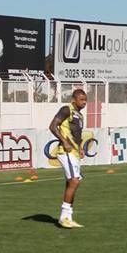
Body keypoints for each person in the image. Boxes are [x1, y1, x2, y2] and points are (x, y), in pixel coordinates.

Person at [49, 89, 88, 228]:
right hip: (65, 151)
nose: (84, 103)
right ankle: (63, 217)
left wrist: (81, 147)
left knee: (72, 182)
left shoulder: (80, 115)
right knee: (74, 181)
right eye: (81, 100)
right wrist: (64, 142)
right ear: (74, 99)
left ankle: (67, 217)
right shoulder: (67, 110)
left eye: (85, 100)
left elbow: (77, 134)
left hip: (75, 153)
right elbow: (53, 126)